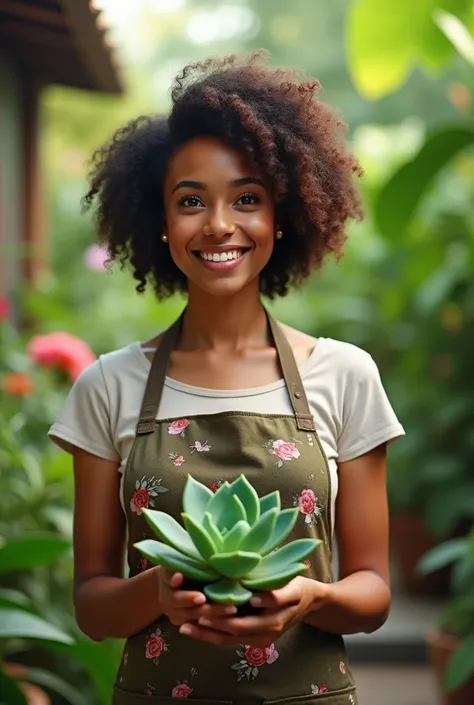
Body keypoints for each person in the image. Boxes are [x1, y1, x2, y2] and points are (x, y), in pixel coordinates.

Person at [49, 51, 405, 705]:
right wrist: (154, 591)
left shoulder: (344, 375)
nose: (218, 224)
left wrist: (311, 597)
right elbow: (93, 606)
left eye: (247, 198)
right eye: (191, 201)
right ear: (160, 220)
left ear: (282, 214)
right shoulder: (107, 387)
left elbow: (373, 591)